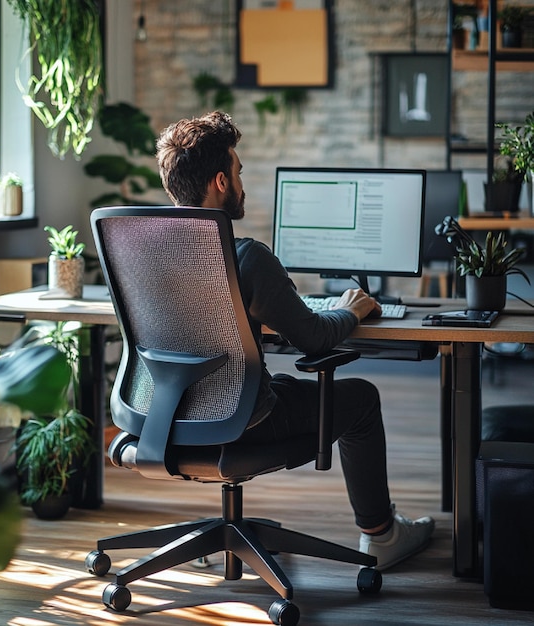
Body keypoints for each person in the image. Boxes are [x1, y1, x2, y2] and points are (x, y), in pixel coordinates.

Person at [155, 110, 434, 571]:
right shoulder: (246, 258)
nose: (244, 184)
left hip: (161, 416)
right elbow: (313, 338)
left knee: (281, 388)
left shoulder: (147, 252)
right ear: (221, 182)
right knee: (361, 396)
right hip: (240, 419)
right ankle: (382, 536)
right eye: (240, 173)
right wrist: (353, 308)